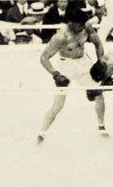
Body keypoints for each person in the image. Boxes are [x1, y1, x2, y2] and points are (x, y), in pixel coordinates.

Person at [38, 8, 105, 143]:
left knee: (98, 93)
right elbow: (44, 57)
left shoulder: (86, 27)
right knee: (58, 105)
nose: (82, 27)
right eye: (79, 24)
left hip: (83, 62)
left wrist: (100, 62)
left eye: (83, 23)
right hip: (65, 66)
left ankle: (101, 126)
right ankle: (41, 134)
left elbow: (98, 44)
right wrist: (55, 74)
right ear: (70, 23)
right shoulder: (61, 37)